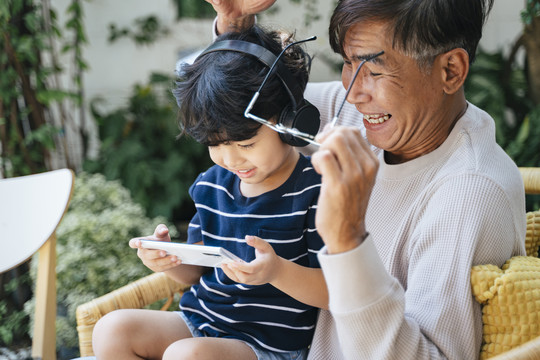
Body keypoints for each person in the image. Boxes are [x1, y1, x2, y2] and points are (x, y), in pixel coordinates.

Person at [205, 0, 527, 359]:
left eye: (374, 70)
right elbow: (252, 113)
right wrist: (233, 31)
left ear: (450, 71)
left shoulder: (468, 193)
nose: (353, 93)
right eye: (348, 62)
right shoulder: (370, 116)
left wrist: (348, 239)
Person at [92, 25, 327, 360]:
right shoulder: (212, 184)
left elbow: (335, 291)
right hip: (201, 321)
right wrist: (170, 259)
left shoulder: (314, 189)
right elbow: (198, 270)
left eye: (246, 143)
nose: (230, 159)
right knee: (111, 329)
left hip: (264, 346)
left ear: (290, 123)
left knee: (187, 356)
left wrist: (276, 272)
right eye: (215, 145)